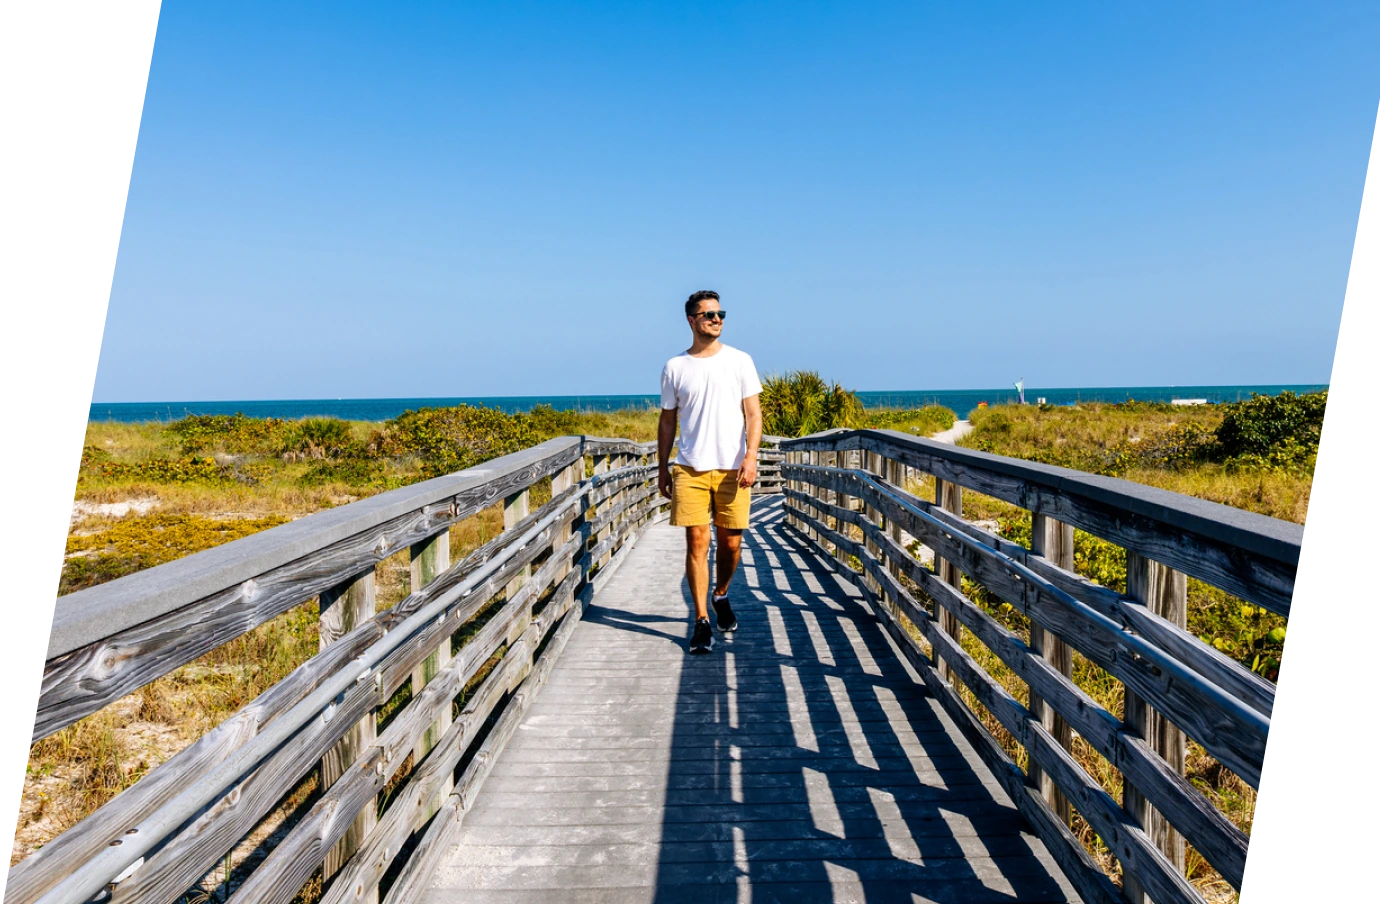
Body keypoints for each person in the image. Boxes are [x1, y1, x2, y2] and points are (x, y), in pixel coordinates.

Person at [658, 290, 764, 654]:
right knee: (697, 543)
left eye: (720, 314)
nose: (716, 319)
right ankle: (701, 620)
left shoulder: (740, 361)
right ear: (691, 321)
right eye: (708, 315)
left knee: (731, 545)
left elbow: (753, 414)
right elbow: (668, 420)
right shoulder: (675, 367)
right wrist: (662, 467)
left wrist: (751, 457)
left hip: (734, 469)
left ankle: (721, 594)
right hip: (690, 468)